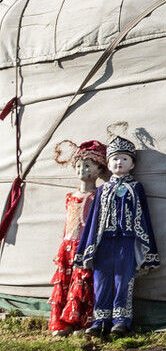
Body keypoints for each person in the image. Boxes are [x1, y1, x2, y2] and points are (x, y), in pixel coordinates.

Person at [75, 135, 160, 336]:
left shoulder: (136, 187)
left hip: (126, 241)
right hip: (104, 241)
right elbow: (94, 219)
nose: (119, 162)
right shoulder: (103, 189)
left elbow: (143, 217)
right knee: (102, 280)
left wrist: (144, 243)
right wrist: (88, 246)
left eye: (124, 159)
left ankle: (121, 320)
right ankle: (100, 320)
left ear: (132, 164)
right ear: (108, 164)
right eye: (114, 159)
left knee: (123, 280)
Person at [48, 140, 108, 335]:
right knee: (65, 283)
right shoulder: (70, 196)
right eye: (79, 166)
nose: (82, 170)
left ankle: (83, 323)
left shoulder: (99, 195)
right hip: (68, 245)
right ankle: (63, 323)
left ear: (99, 170)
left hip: (87, 245)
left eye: (88, 166)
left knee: (84, 283)